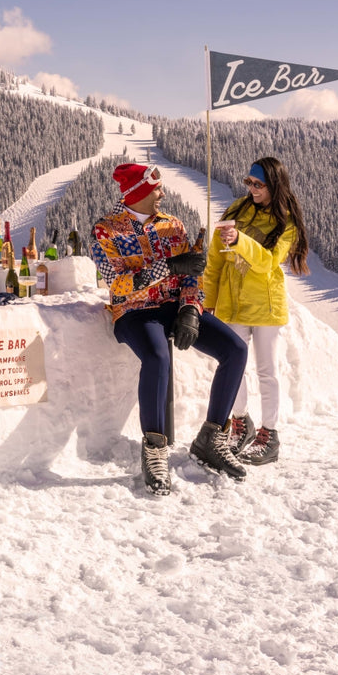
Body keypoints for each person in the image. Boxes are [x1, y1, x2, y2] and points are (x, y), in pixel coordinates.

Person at [91, 163, 249, 495]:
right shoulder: (106, 230)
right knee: (157, 358)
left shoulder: (172, 225)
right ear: (140, 193)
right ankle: (154, 449)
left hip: (174, 306)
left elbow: (192, 273)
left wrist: (191, 307)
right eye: (157, 188)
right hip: (135, 311)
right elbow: (119, 286)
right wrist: (169, 267)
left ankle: (212, 437)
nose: (163, 193)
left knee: (235, 350)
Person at [202, 157, 310, 466]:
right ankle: (240, 423)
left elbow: (267, 262)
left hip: (264, 306)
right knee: (231, 365)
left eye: (257, 184)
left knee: (266, 372)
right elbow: (216, 257)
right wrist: (209, 298)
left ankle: (269, 435)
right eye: (248, 182)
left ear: (275, 185)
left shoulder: (286, 222)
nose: (251, 189)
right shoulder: (238, 208)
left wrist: (240, 240)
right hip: (232, 304)